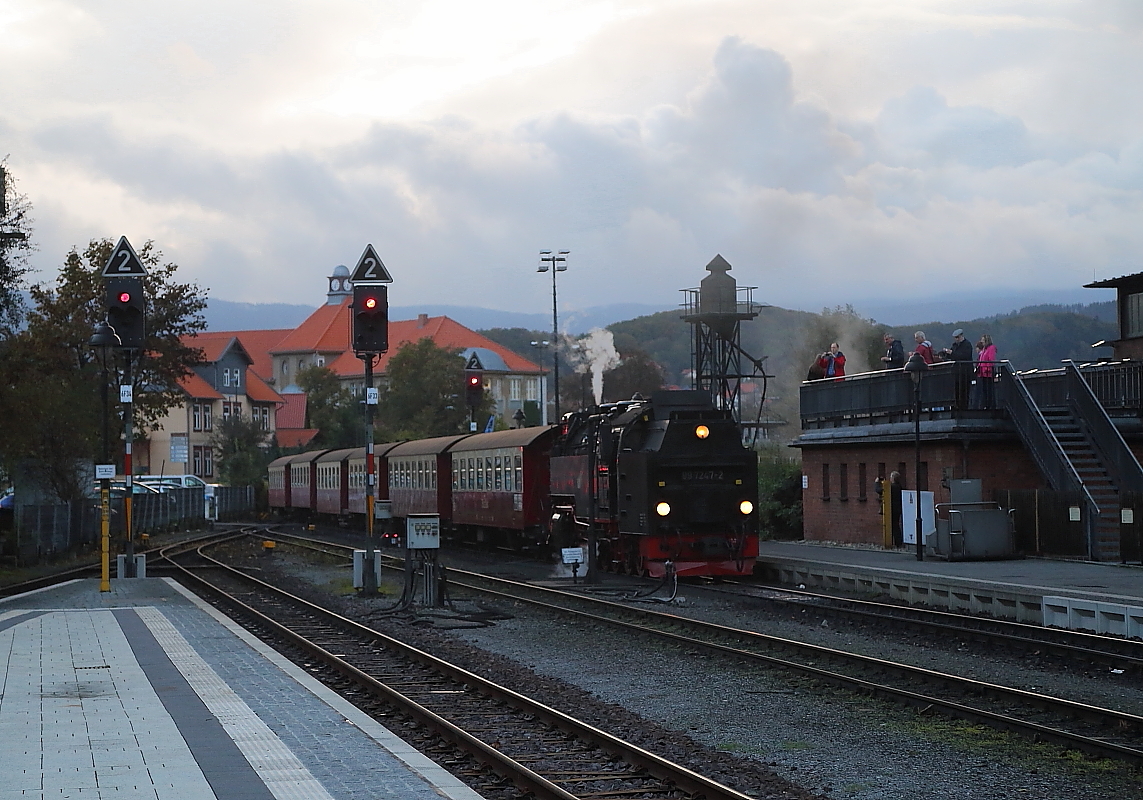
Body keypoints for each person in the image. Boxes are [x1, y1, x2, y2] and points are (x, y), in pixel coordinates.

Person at [977, 334, 997, 408]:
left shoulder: (991, 348)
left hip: (988, 372)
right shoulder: (984, 349)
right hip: (982, 372)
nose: (981, 341)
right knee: (985, 390)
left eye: (983, 340)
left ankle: (991, 405)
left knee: (989, 389)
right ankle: (986, 404)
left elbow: (991, 359)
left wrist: (988, 368)